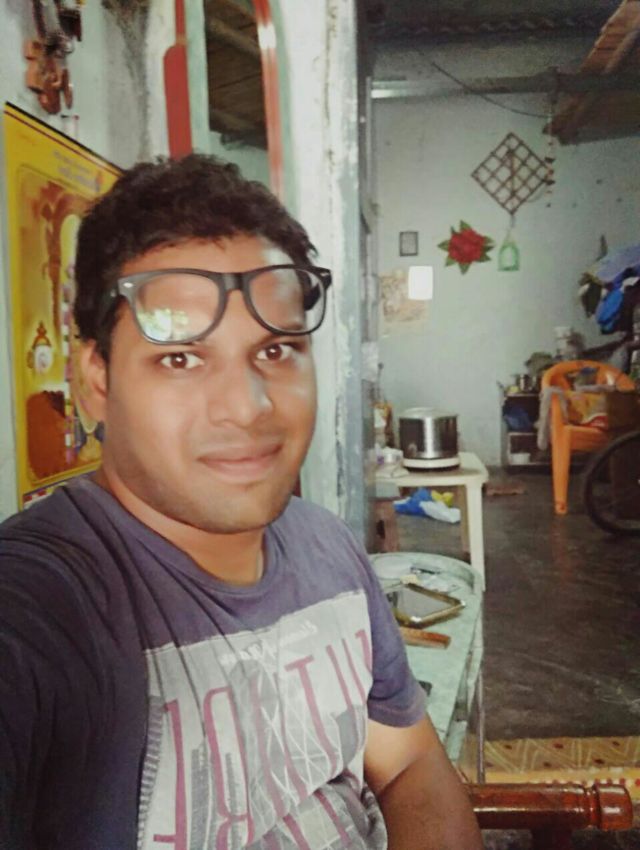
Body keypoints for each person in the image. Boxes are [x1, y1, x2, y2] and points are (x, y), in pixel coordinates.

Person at [0, 155, 481, 850]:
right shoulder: (42, 605)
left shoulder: (327, 547)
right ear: (96, 383)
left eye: (277, 351)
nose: (249, 406)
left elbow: (408, 765)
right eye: (181, 359)